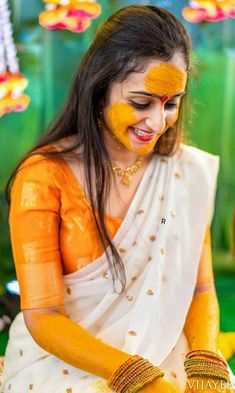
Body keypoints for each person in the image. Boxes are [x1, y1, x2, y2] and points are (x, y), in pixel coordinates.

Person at [1, 5, 235, 393]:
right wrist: (139, 380)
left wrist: (206, 362)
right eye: (141, 103)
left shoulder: (183, 172)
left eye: (171, 104)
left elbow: (201, 289)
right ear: (99, 90)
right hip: (66, 362)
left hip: (163, 348)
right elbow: (43, 315)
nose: (158, 123)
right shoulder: (43, 178)